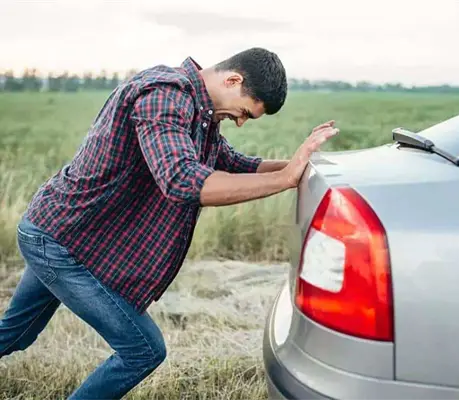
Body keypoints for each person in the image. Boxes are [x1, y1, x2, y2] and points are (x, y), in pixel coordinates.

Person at [0, 47, 338, 399]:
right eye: (244, 113)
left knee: (16, 333)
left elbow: (232, 162)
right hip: (60, 240)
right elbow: (181, 180)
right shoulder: (165, 94)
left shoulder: (200, 112)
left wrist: (302, 167)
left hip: (66, 235)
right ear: (233, 80)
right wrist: (284, 179)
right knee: (143, 349)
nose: (240, 122)